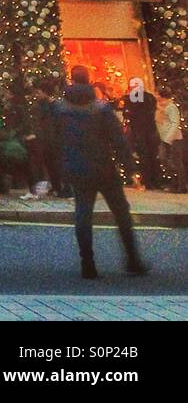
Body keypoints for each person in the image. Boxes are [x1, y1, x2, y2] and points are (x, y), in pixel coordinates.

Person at [54, 65, 147, 279]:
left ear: (71, 79)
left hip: (77, 168)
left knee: (83, 214)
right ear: (88, 80)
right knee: (121, 212)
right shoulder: (101, 108)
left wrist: (62, 167)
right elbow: (118, 140)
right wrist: (131, 170)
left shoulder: (60, 109)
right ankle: (132, 260)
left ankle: (87, 264)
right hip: (103, 167)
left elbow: (54, 140)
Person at [125, 83, 161, 189]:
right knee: (153, 156)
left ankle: (148, 181)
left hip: (140, 131)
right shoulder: (150, 98)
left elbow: (129, 114)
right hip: (151, 130)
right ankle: (156, 181)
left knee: (144, 156)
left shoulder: (133, 99)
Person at [155, 92, 184, 194]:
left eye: (157, 94)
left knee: (175, 162)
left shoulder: (171, 107)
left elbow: (175, 123)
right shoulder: (159, 108)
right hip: (164, 138)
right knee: (164, 159)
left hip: (173, 139)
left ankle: (180, 185)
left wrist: (168, 139)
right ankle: (174, 182)